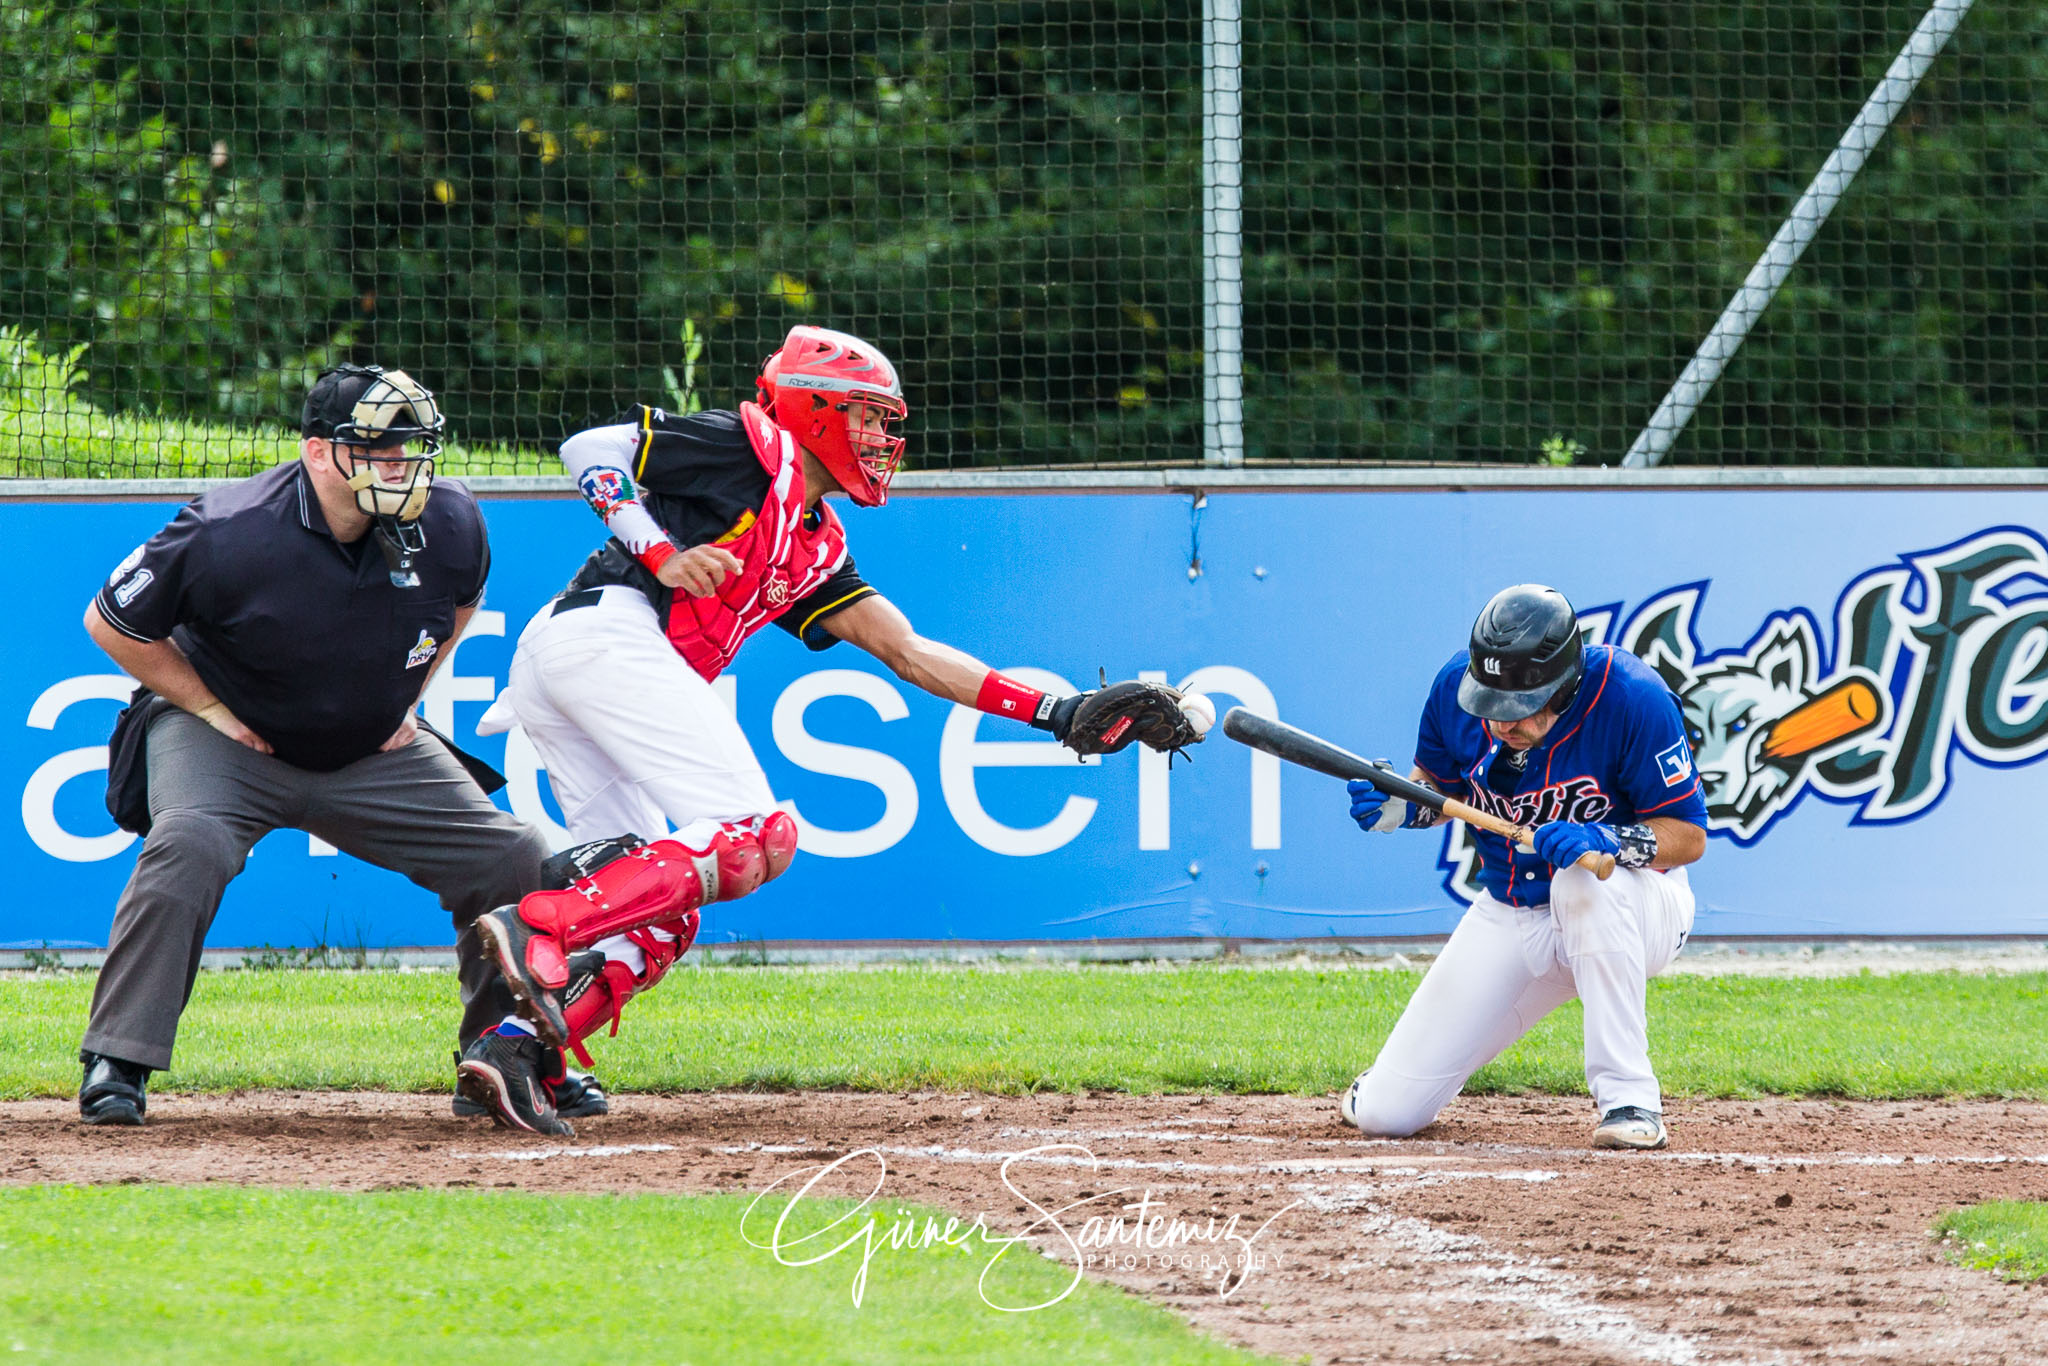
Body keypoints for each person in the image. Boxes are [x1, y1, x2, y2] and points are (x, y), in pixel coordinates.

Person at [465, 325, 1199, 1135]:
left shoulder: (814, 539)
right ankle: (539, 924)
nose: (884, 438)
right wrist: (664, 551)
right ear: (814, 408)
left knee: (663, 913)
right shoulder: (747, 449)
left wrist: (1054, 713)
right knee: (758, 833)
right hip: (603, 636)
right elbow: (587, 448)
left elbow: (909, 651)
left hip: (579, 661)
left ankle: (516, 1049)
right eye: (868, 416)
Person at [78, 364, 555, 1127]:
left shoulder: (454, 519)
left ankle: (508, 1057)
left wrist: (407, 698)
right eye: (380, 449)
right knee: (190, 841)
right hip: (231, 742)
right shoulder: (226, 529)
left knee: (514, 854)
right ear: (318, 453)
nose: (404, 467)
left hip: (371, 748)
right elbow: (112, 621)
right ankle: (118, 1061)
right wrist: (208, 709)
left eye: (414, 449)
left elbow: (461, 607)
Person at [1338, 584, 1707, 1150]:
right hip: (1511, 911)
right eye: (1489, 702)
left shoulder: (1632, 697)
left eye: (1519, 708)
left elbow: (1687, 836)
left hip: (1637, 908)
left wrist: (1603, 838)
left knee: (1582, 882)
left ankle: (1630, 1098)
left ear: (1565, 685)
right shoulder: (1452, 691)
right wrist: (1401, 808)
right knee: (1386, 1115)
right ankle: (1390, 1085)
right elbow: (1435, 792)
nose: (1500, 722)